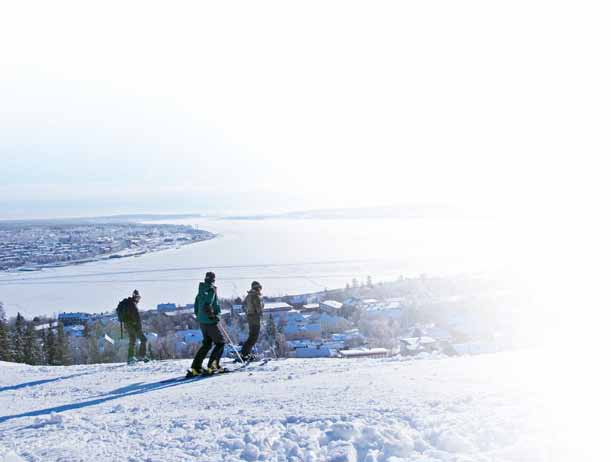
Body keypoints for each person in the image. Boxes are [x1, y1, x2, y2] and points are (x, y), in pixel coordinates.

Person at [189, 272, 225, 376]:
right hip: (210, 321)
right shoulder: (211, 290)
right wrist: (214, 317)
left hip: (202, 322)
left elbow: (196, 308)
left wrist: (201, 317)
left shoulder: (200, 292)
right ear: (213, 279)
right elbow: (207, 306)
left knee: (207, 344)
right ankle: (213, 365)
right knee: (220, 343)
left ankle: (196, 367)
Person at [120, 289, 148, 364]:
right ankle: (142, 356)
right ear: (135, 297)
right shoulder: (133, 305)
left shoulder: (128, 303)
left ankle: (130, 357)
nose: (139, 300)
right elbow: (136, 317)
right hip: (133, 325)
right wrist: (139, 327)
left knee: (132, 340)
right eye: (138, 298)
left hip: (127, 325)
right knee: (143, 339)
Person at [239, 280, 264, 361]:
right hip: (255, 318)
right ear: (257, 288)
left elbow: (243, 305)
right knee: (253, 337)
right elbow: (258, 308)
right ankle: (244, 353)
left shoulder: (249, 295)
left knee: (252, 336)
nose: (260, 290)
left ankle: (246, 353)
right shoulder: (255, 296)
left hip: (250, 318)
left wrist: (248, 312)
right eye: (259, 288)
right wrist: (260, 312)